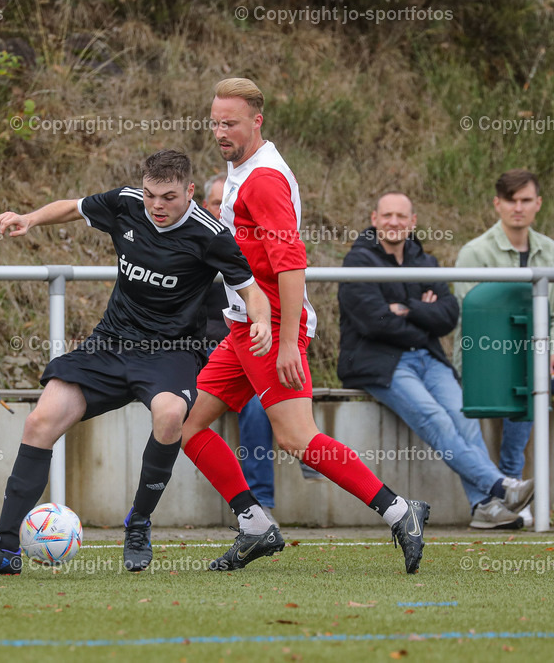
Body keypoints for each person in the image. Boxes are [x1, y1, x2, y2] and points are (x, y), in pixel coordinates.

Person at [0, 149, 272, 575]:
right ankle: (6, 548)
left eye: (169, 197)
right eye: (151, 194)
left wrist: (261, 321)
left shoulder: (210, 235)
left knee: (170, 415)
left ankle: (138, 523)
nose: (157, 205)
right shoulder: (126, 203)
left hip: (171, 350)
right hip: (110, 343)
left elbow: (251, 289)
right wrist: (30, 218)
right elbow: (74, 207)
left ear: (190, 191)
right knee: (40, 421)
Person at [181, 78, 429, 574]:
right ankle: (255, 524)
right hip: (244, 325)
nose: (221, 132)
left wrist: (289, 342)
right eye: (215, 123)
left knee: (297, 438)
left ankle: (400, 511)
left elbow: (292, 264)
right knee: (187, 427)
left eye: (231, 123)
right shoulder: (243, 168)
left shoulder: (263, 179)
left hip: (270, 327)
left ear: (257, 121)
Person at [337, 192, 534, 529]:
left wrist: (407, 308)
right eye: (387, 215)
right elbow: (374, 322)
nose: (394, 222)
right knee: (436, 419)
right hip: (380, 364)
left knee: (464, 417)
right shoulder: (358, 261)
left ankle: (483, 507)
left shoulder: (424, 260)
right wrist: (422, 316)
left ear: (412, 221)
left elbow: (448, 315)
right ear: (374, 219)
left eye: (401, 216)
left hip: (428, 358)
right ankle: (500, 487)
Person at [455, 169, 554, 525]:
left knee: (534, 371)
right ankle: (511, 484)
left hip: (538, 356)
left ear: (538, 204)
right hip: (485, 358)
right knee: (527, 376)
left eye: (526, 200)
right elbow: (475, 319)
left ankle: (514, 489)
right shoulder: (474, 253)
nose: (518, 207)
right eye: (511, 200)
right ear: (498, 204)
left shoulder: (550, 251)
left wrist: (550, 348)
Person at [203, 173, 277, 520]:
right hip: (201, 348)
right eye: (217, 204)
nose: (222, 210)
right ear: (204, 205)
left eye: (228, 204)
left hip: (245, 343)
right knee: (183, 416)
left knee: (259, 404)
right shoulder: (193, 240)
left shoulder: (251, 243)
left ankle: (260, 504)